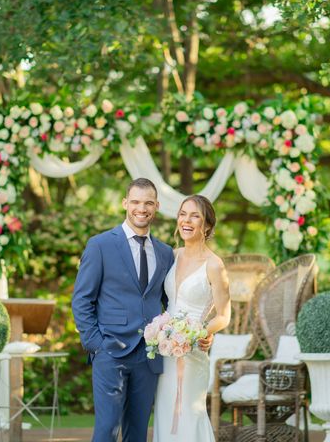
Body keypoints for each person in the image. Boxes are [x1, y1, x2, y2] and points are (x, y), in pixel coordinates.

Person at [73, 178, 211, 442]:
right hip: (109, 351)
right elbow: (81, 300)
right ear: (125, 203)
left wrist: (198, 330)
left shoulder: (164, 253)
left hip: (148, 355)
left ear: (157, 206)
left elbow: (171, 301)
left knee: (137, 433)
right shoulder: (100, 245)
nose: (141, 208)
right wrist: (95, 344)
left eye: (148, 202)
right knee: (107, 430)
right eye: (135, 201)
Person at [153, 194, 231, 441]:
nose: (186, 220)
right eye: (183, 214)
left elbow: (224, 315)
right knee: (166, 414)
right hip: (164, 348)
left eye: (194, 215)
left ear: (207, 225)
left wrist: (203, 332)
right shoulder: (171, 256)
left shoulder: (214, 265)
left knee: (189, 413)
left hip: (194, 349)